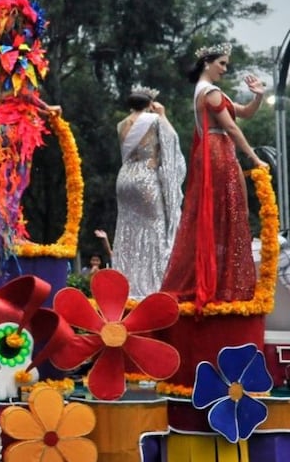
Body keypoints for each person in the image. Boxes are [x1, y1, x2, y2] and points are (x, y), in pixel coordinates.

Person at [162, 43, 268, 308]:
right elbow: (231, 128)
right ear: (207, 62)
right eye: (221, 63)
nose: (225, 69)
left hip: (218, 153)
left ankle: (223, 281)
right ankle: (223, 284)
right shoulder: (209, 93)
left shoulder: (213, 93)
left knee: (228, 214)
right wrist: (254, 158)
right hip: (217, 154)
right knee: (229, 214)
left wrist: (258, 97)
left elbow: (244, 113)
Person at [111, 87, 186, 299]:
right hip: (146, 177)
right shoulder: (154, 120)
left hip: (125, 178)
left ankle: (127, 285)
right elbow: (171, 141)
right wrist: (163, 115)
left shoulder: (121, 124)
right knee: (156, 229)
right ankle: (153, 286)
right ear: (150, 103)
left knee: (128, 231)